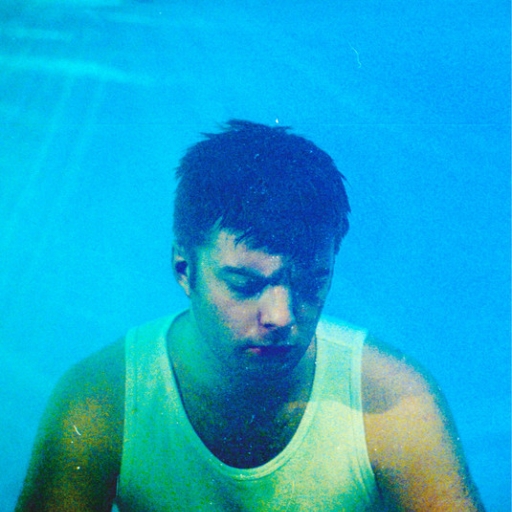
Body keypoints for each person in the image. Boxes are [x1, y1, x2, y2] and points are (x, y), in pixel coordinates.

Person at [16, 120, 484, 511]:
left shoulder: (392, 400)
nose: (281, 316)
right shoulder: (101, 401)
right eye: (244, 284)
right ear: (184, 269)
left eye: (310, 282)